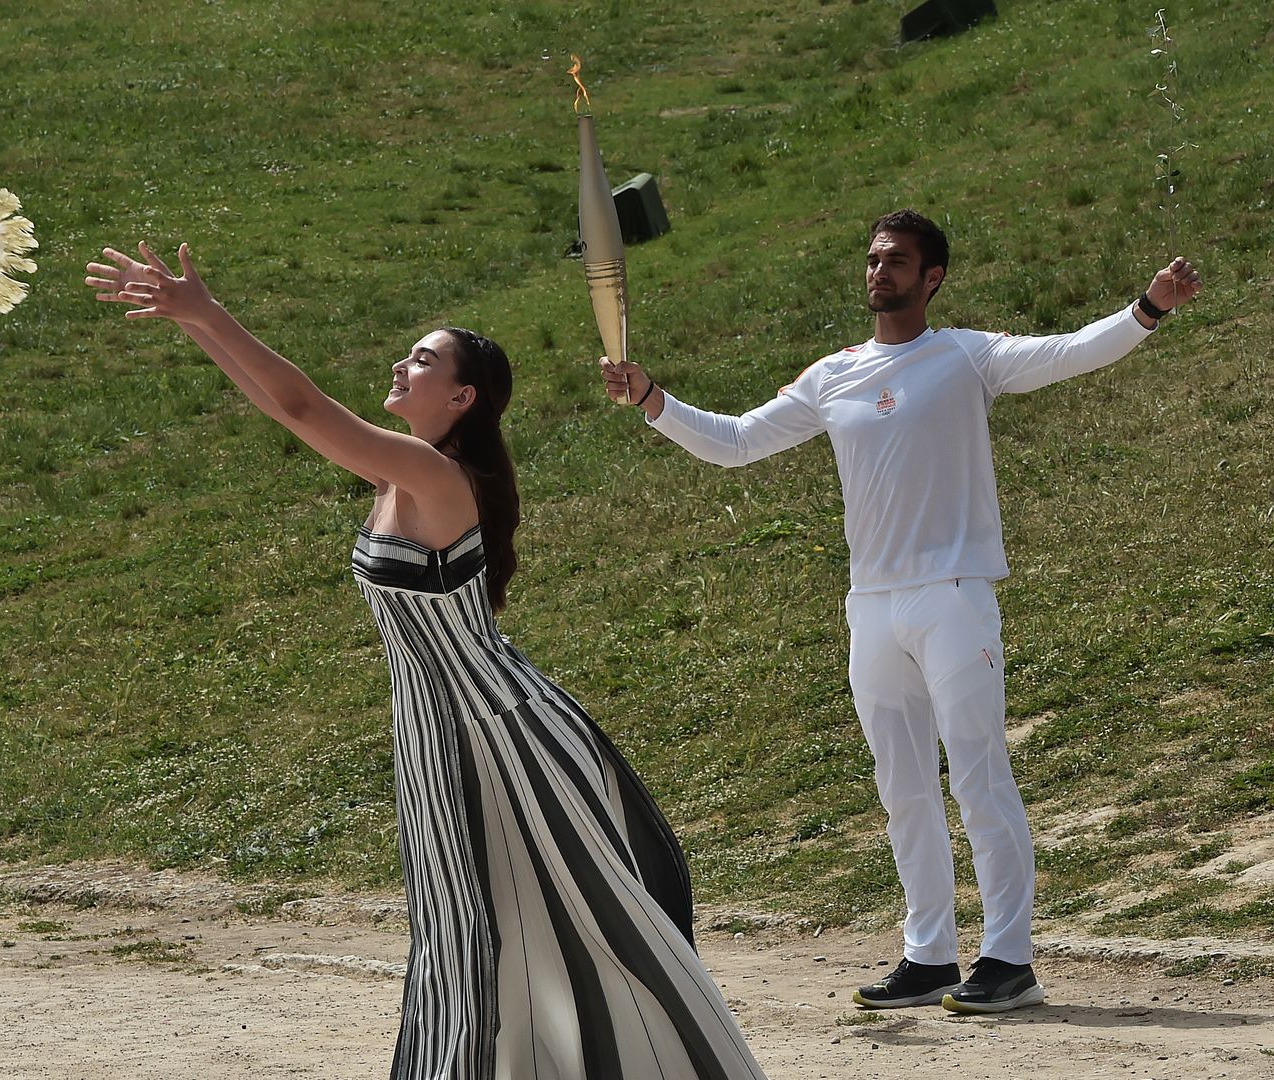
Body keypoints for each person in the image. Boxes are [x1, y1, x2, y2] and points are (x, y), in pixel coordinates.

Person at [91, 242, 769, 1079]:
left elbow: (303, 406)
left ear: (462, 396)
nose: (401, 364)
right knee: (467, 932)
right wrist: (195, 325)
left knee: (556, 927)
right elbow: (285, 411)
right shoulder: (398, 473)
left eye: (423, 359)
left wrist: (206, 311)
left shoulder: (426, 470)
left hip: (493, 736)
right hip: (436, 732)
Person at [600, 210, 1203, 1015]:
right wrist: (652, 399)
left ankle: (1009, 958)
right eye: (875, 259)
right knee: (904, 786)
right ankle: (929, 956)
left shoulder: (965, 356)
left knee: (979, 774)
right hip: (872, 605)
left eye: (899, 261)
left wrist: (1148, 308)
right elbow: (738, 441)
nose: (880, 272)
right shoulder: (831, 374)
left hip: (955, 594)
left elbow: (1069, 352)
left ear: (933, 278)